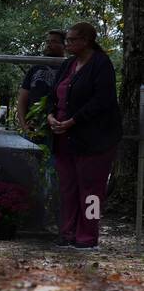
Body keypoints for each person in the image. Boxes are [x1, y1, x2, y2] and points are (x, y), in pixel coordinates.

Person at [48, 21, 121, 250]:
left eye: (71, 40)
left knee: (91, 190)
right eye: (66, 40)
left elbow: (103, 100)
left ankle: (88, 236)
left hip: (94, 138)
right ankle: (67, 233)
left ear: (86, 41)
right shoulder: (68, 64)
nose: (67, 44)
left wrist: (73, 121)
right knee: (67, 187)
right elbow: (54, 94)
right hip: (63, 136)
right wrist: (51, 116)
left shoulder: (101, 63)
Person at [15, 30, 66, 136]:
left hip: (60, 127)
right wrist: (24, 127)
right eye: (47, 42)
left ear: (64, 45)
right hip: (34, 128)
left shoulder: (69, 68)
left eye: (54, 41)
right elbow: (22, 100)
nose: (49, 45)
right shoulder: (35, 68)